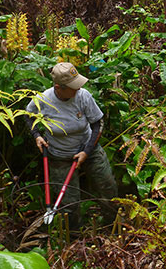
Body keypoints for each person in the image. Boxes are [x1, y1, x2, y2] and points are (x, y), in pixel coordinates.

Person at [25, 62, 118, 229]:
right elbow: (28, 116)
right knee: (68, 204)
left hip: (88, 147)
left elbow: (97, 124)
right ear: (58, 87)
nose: (77, 89)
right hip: (60, 155)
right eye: (72, 86)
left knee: (107, 187)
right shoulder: (43, 99)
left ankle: (111, 227)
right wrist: (37, 136)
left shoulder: (83, 96)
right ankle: (74, 238)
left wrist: (87, 151)